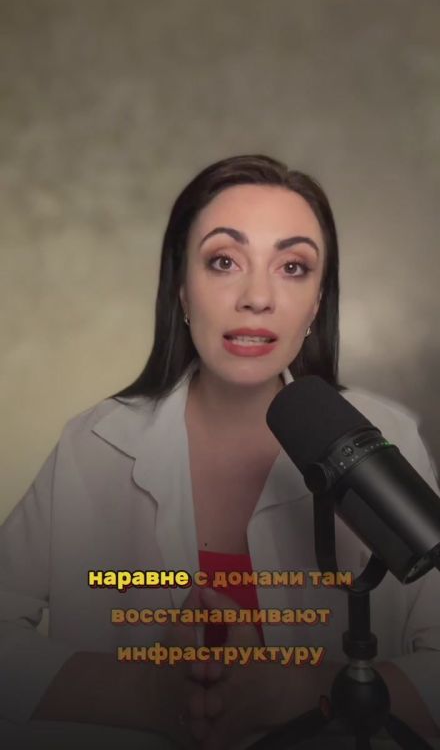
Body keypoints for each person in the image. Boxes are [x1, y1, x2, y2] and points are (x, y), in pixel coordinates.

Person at [1, 154, 439, 750]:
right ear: (182, 289)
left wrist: (304, 692)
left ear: (317, 302)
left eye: (292, 267)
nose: (257, 297)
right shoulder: (94, 444)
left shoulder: (386, 436)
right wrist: (144, 694)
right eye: (224, 261)